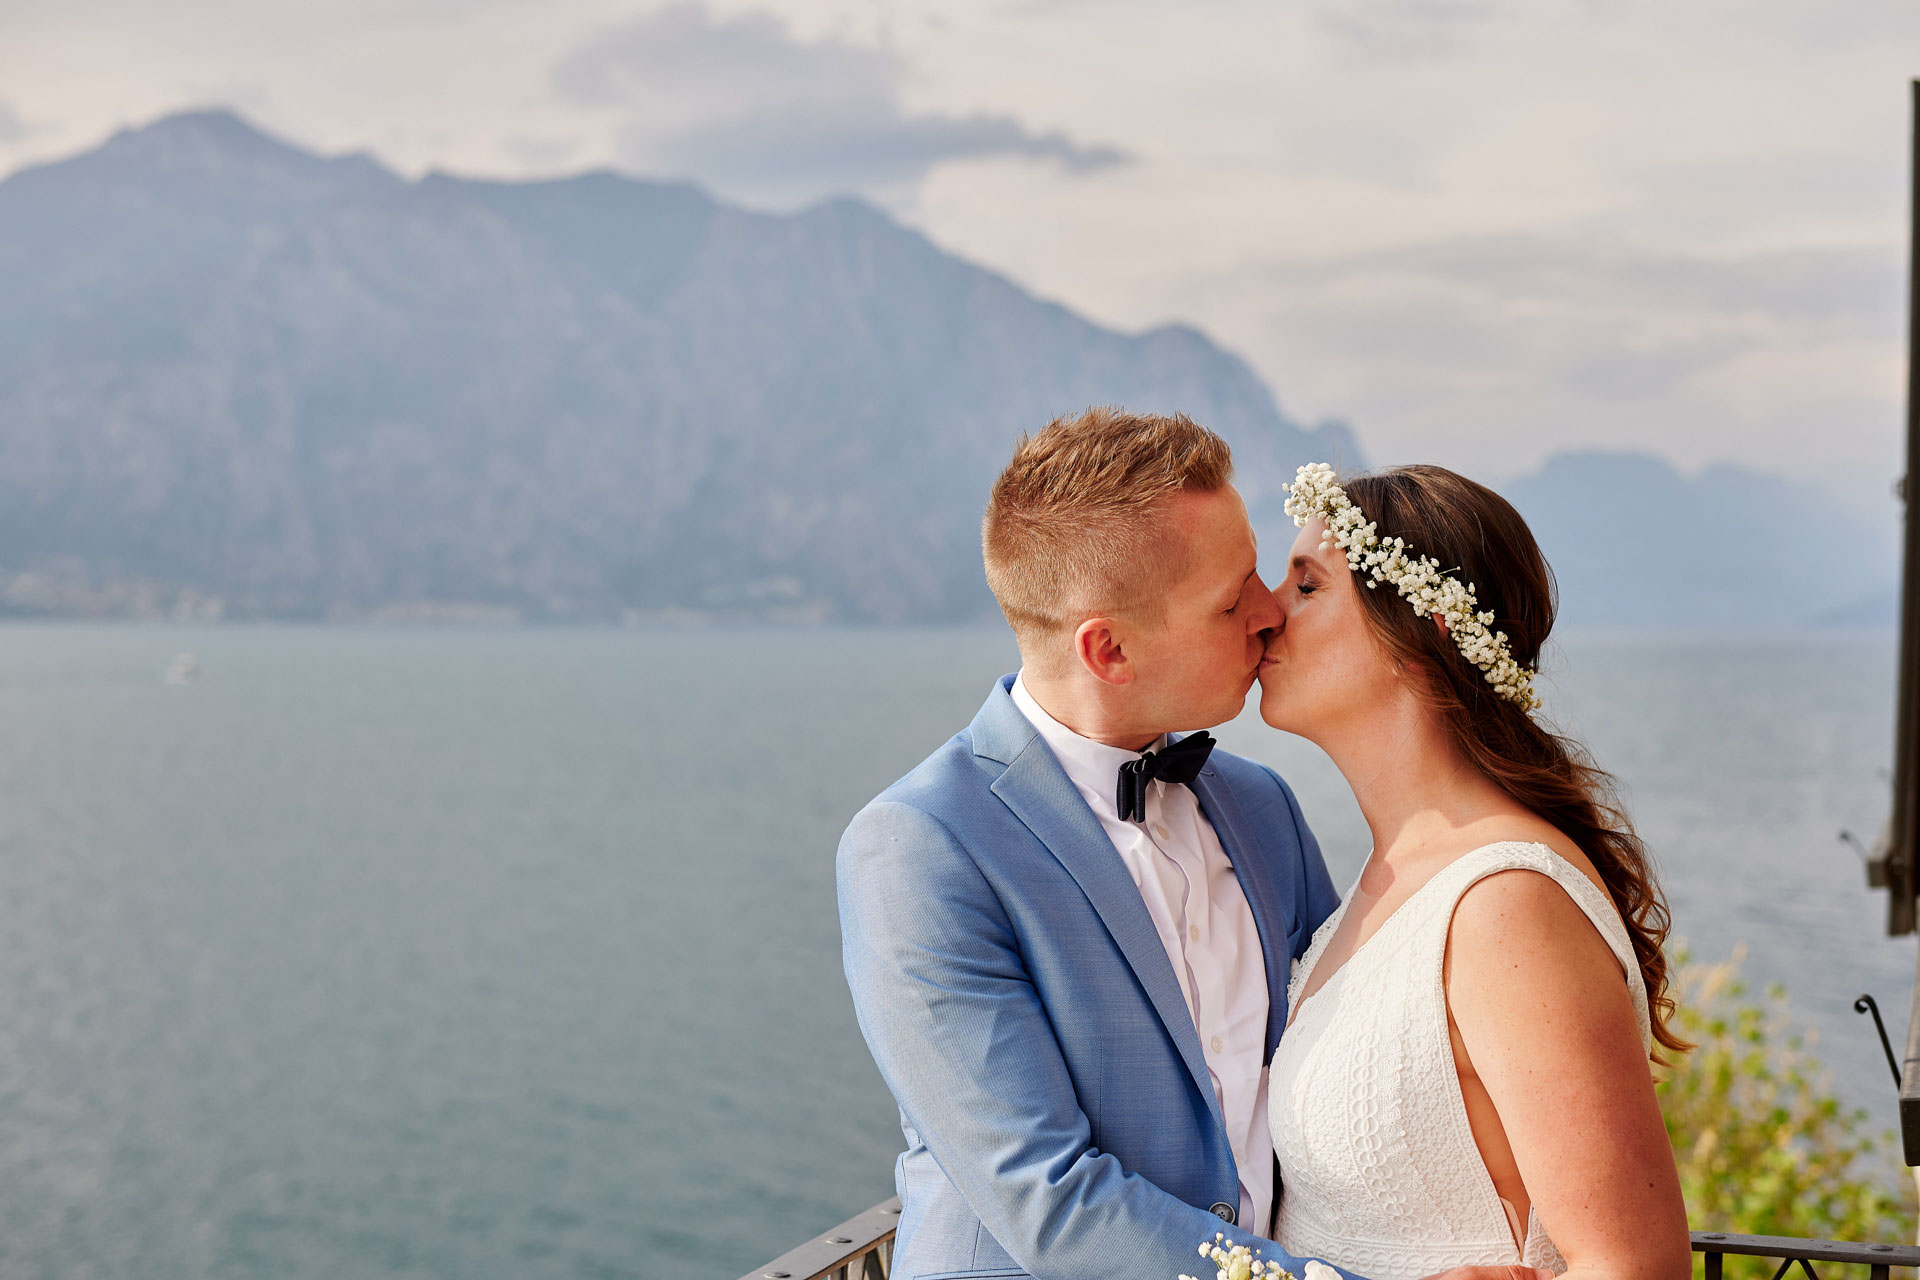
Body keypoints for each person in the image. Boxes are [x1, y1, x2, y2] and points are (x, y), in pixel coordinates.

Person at [838, 411, 1552, 1280]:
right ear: (1109, 650)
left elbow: (1351, 1062)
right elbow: (1045, 1198)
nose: (1268, 613)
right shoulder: (921, 848)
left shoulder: (1261, 808)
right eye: (1231, 597)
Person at [1258, 463, 1691, 1280]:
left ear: (1424, 633)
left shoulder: (1506, 903)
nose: (1264, 613)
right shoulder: (1389, 879)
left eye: (1307, 587)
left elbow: (1637, 1267)